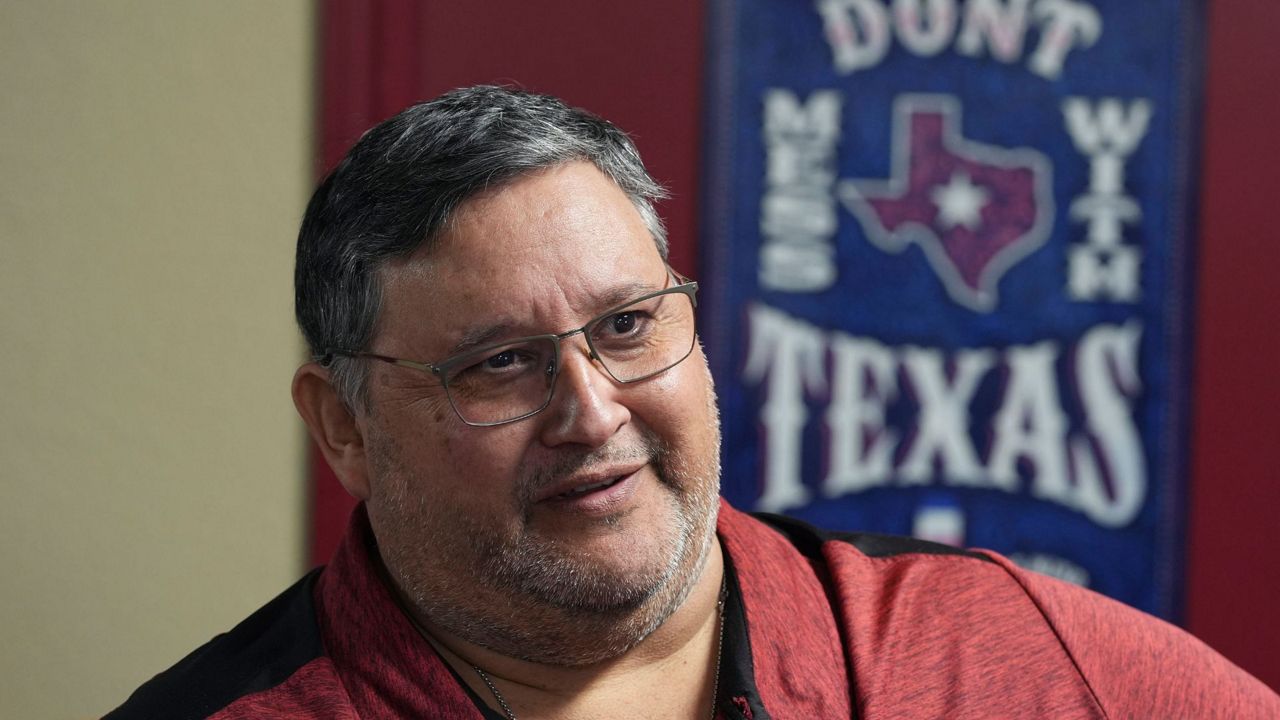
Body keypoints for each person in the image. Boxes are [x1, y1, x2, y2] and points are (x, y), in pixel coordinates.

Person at [107, 85, 1278, 719]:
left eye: (626, 326)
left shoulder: (1008, 658)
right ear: (344, 426)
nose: (591, 411)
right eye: (497, 364)